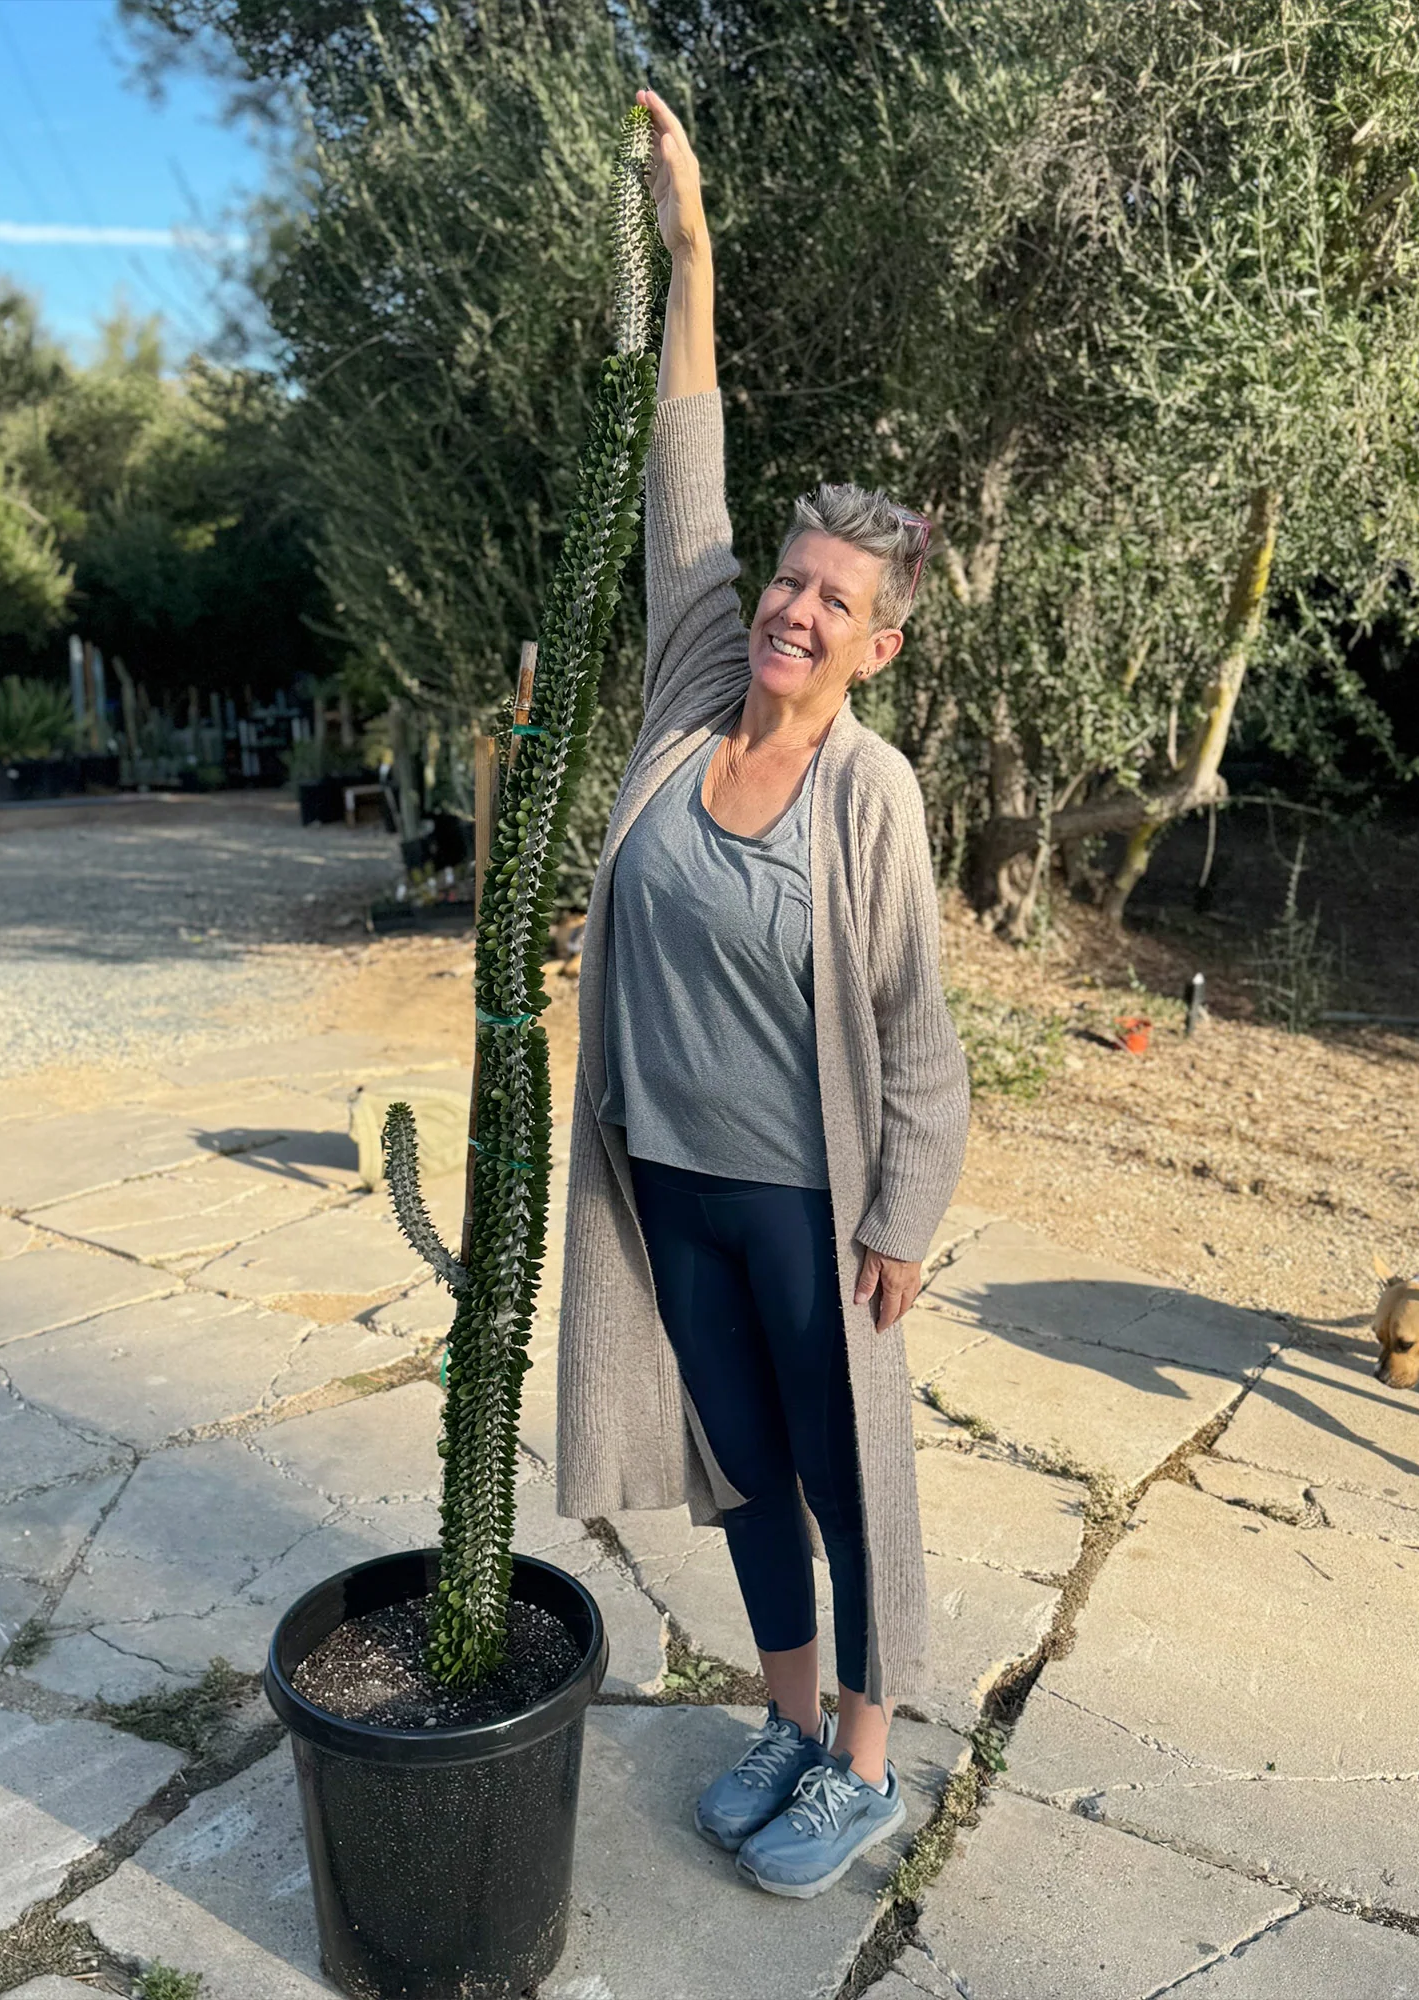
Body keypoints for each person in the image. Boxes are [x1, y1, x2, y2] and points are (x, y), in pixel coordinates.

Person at [554, 88, 970, 1899]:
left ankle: (867, 1766)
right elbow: (686, 473)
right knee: (744, 1481)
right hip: (675, 1191)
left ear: (879, 643)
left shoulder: (869, 792)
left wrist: (903, 1213)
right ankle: (790, 1729)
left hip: (813, 1209)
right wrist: (692, 253)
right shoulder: (686, 696)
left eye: (834, 599)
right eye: (790, 579)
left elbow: (914, 1031)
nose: (794, 608)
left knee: (849, 1479)